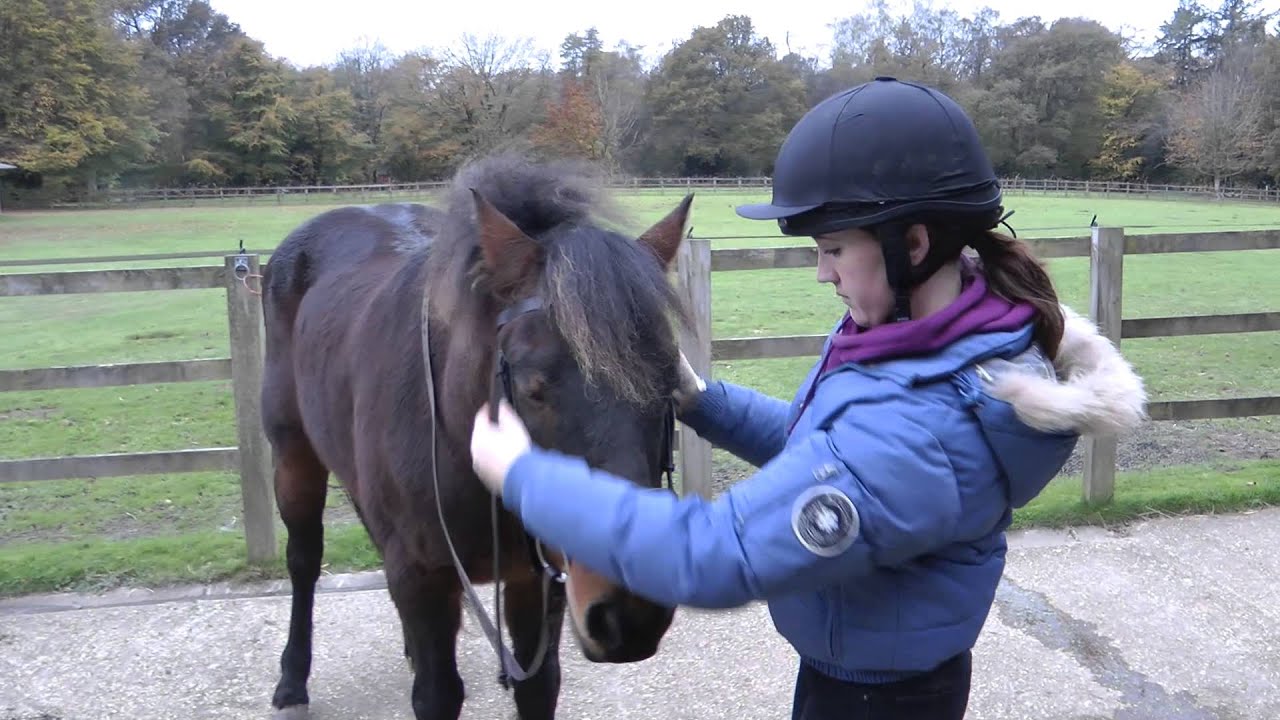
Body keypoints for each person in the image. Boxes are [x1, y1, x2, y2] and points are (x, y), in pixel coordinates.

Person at [469, 77, 1148, 719]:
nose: (821, 272)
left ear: (911, 244)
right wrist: (701, 399)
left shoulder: (924, 429)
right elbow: (819, 448)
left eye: (831, 248)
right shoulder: (920, 340)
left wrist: (524, 477)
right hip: (866, 660)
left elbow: (714, 554)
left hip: (872, 700)